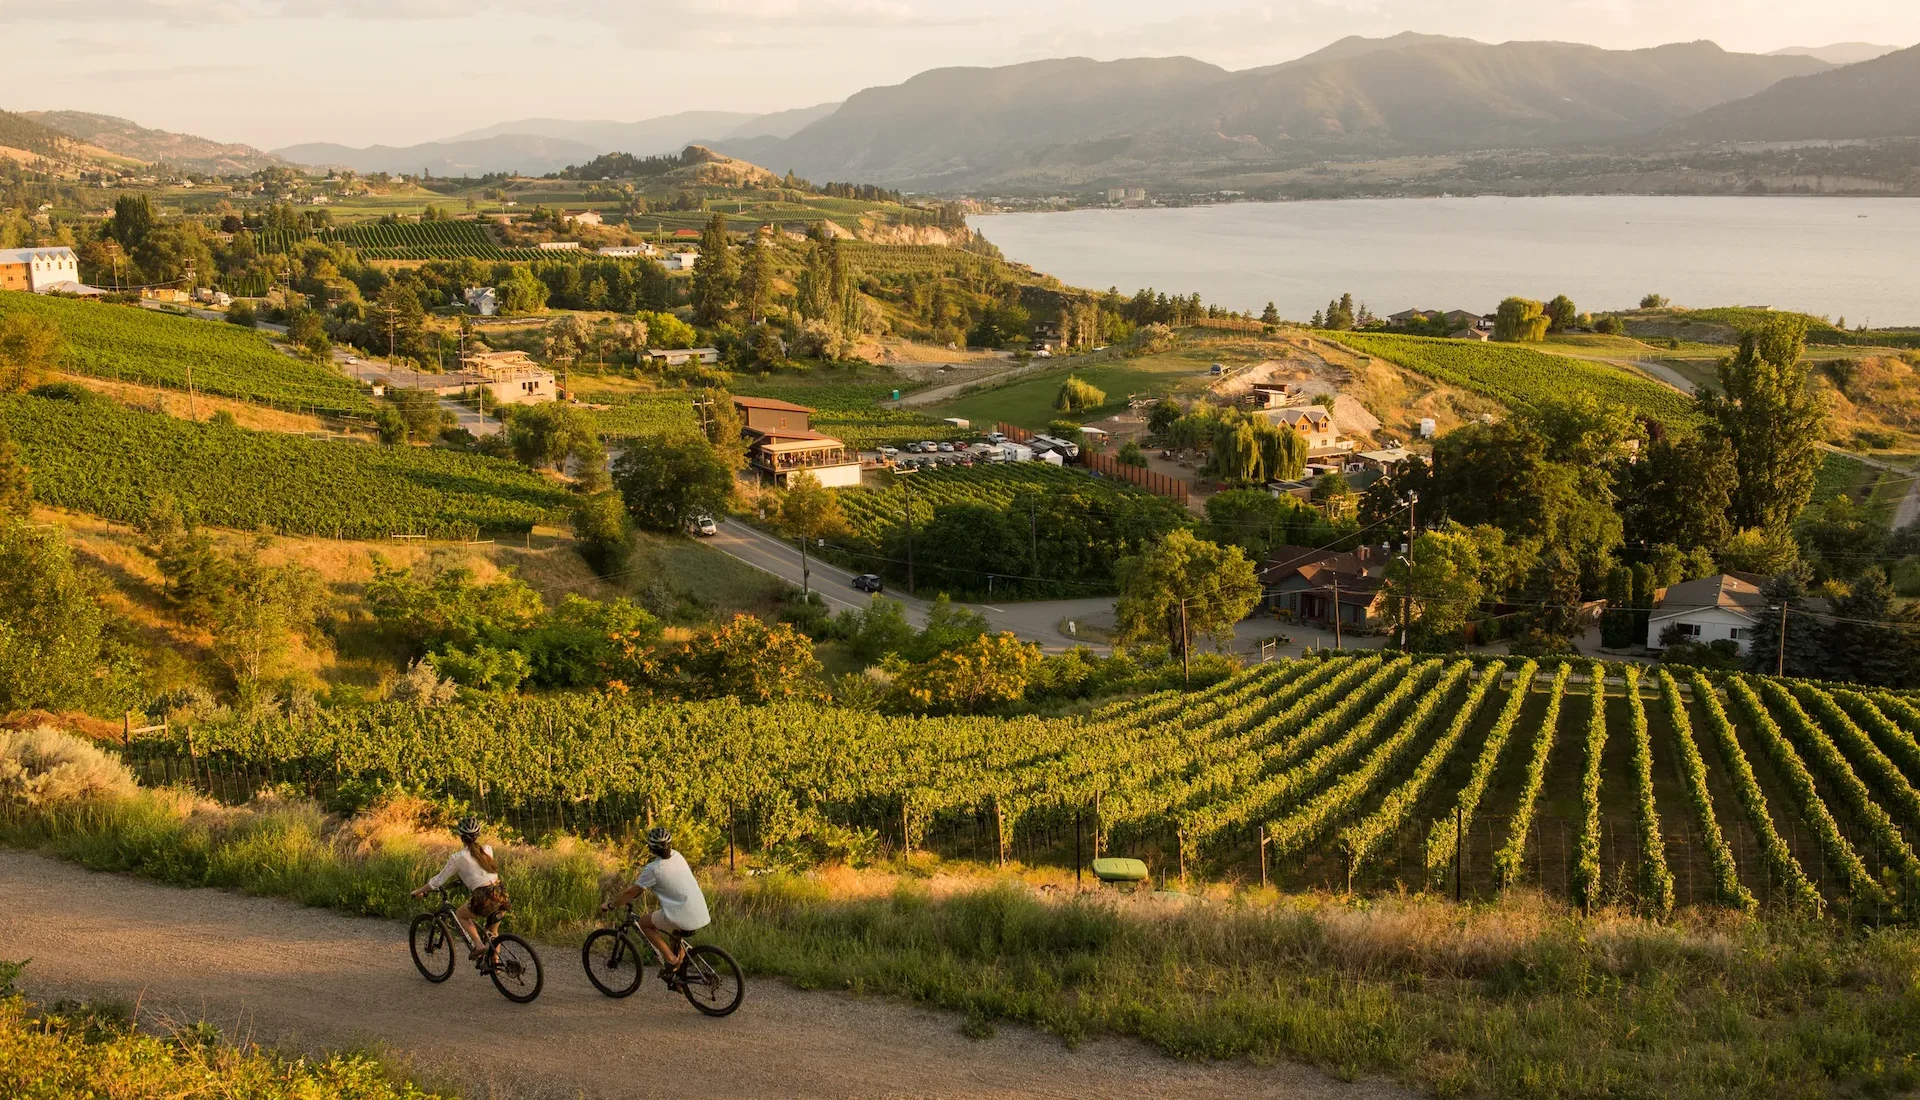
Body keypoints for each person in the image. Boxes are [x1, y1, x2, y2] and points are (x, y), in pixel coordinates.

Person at [601, 826, 710, 977]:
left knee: (645, 923)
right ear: (670, 844)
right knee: (676, 934)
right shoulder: (678, 856)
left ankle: (671, 960)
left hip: (682, 914)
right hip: (700, 910)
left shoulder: (653, 869)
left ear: (651, 848)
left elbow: (630, 892)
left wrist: (611, 905)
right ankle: (679, 976)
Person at [412, 816, 510, 961]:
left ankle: (478, 945)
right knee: (493, 933)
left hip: (484, 896)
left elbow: (437, 881)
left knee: (461, 914)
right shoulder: (487, 850)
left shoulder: (458, 858)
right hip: (501, 892)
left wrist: (418, 891)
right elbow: (479, 873)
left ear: (461, 837)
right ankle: (496, 965)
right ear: (477, 835)